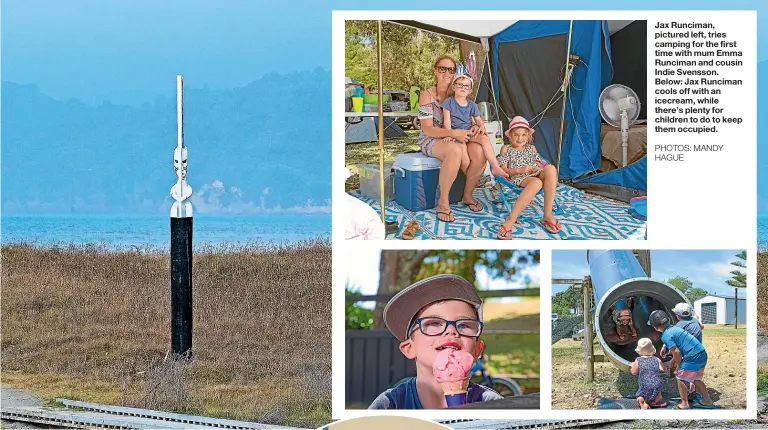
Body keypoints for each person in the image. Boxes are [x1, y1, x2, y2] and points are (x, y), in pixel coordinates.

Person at [369, 274, 502, 409]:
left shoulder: (493, 406)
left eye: (464, 325)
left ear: (477, 350)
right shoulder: (389, 405)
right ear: (409, 347)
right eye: (433, 323)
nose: (451, 330)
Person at [417, 55, 489, 223]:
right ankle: (443, 201)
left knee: (479, 152)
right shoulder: (426, 95)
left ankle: (468, 195)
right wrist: (453, 134)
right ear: (435, 70)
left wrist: (477, 126)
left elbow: (469, 116)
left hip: (459, 135)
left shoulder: (458, 90)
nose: (447, 73)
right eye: (443, 68)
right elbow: (426, 128)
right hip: (432, 138)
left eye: (451, 70)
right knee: (456, 150)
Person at [495, 116, 562, 239]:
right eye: (516, 135)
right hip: (518, 177)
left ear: (528, 136)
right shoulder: (506, 149)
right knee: (536, 183)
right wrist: (518, 170)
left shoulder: (531, 148)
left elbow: (539, 163)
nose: (520, 139)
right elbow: (503, 169)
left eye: (523, 135)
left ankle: (547, 215)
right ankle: (510, 220)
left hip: (535, 173)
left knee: (551, 169)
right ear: (510, 135)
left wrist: (538, 168)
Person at [441, 74, 509, 181]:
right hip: (457, 134)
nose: (463, 88)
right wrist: (450, 134)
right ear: (453, 87)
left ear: (470, 91)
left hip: (469, 131)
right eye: (460, 85)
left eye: (466, 86)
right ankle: (475, 179)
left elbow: (478, 119)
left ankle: (495, 166)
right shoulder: (448, 102)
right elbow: (447, 120)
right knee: (465, 160)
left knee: (485, 138)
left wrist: (482, 127)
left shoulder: (472, 105)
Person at [647, 310, 717, 409]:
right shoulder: (674, 328)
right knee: (696, 379)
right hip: (701, 353)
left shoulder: (666, 335)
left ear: (655, 327)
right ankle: (707, 400)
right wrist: (672, 361)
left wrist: (679, 366)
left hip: (692, 356)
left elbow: (676, 352)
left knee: (681, 378)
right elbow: (680, 348)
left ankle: (684, 403)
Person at [661, 302, 704, 396]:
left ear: (677, 315)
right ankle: (692, 391)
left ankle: (685, 399)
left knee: (682, 374)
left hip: (689, 351)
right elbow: (702, 327)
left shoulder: (680, 324)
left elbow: (671, 334)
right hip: (699, 348)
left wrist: (664, 346)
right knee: (695, 374)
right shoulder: (694, 320)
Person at [630, 338, 666, 409]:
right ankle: (656, 401)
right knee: (658, 392)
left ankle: (643, 403)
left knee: (640, 395)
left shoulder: (638, 360)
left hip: (645, 387)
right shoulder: (657, 359)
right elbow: (663, 370)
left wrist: (632, 367)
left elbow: (633, 372)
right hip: (657, 385)